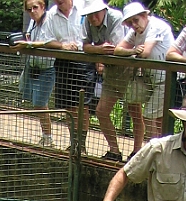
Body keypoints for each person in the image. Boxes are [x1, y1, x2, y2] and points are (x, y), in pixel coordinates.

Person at [115, 2, 176, 155]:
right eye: (130, 22)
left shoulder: (156, 26)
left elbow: (145, 53)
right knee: (156, 119)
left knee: (150, 117)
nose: (133, 25)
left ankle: (155, 154)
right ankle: (158, 153)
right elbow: (117, 50)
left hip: (166, 80)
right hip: (151, 80)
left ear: (145, 16)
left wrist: (134, 51)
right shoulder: (135, 31)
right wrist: (133, 51)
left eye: (136, 20)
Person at [83, 0, 127, 160]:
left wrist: (97, 52)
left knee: (136, 112)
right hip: (111, 70)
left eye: (96, 13)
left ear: (104, 10)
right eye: (89, 14)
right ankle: (114, 151)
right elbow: (86, 46)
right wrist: (98, 50)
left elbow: (114, 49)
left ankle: (138, 153)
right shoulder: (89, 21)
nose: (93, 17)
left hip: (129, 69)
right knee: (101, 111)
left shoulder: (116, 17)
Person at [45, 0, 90, 150]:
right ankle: (73, 143)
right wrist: (62, 45)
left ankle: (81, 144)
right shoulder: (51, 14)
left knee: (82, 105)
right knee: (68, 106)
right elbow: (47, 40)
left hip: (84, 60)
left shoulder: (83, 6)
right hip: (63, 62)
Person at [19, 0, 58, 146]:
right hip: (33, 66)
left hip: (47, 67)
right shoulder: (33, 22)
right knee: (37, 104)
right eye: (29, 9)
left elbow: (47, 42)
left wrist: (28, 44)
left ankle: (48, 137)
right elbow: (30, 37)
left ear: (42, 7)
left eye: (35, 8)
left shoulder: (49, 20)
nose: (32, 11)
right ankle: (45, 135)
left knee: (40, 103)